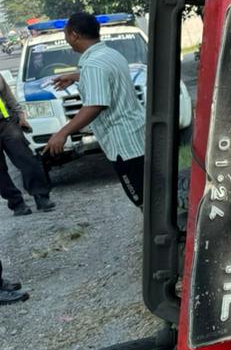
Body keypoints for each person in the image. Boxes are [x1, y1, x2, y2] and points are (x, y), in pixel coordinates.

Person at [47, 12, 147, 207]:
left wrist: (63, 133)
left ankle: (164, 236)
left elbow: (95, 106)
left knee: (142, 198)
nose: (66, 39)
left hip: (123, 145)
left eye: (66, 34)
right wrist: (76, 76)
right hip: (137, 137)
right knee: (152, 193)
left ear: (74, 35)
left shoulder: (93, 65)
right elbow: (104, 76)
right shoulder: (109, 54)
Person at [0, 71, 55, 215]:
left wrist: (20, 115)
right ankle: (16, 204)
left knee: (27, 159)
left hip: (7, 124)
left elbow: (7, 94)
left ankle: (41, 197)